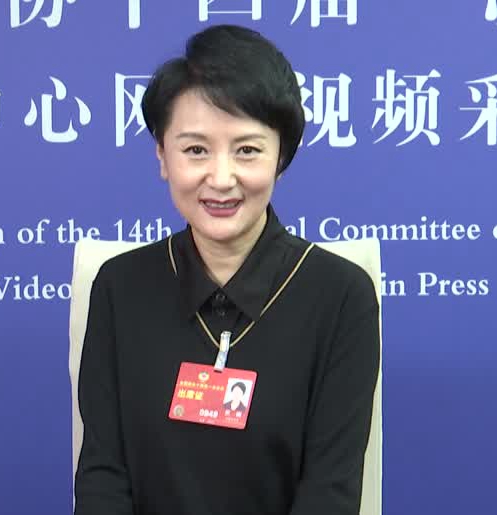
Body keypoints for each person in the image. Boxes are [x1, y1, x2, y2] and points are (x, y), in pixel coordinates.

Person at [75, 24, 380, 515]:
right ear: (163, 156)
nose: (221, 178)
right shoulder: (120, 286)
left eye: (247, 150)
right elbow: (102, 476)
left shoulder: (340, 295)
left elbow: (330, 491)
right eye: (195, 149)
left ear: (281, 157)